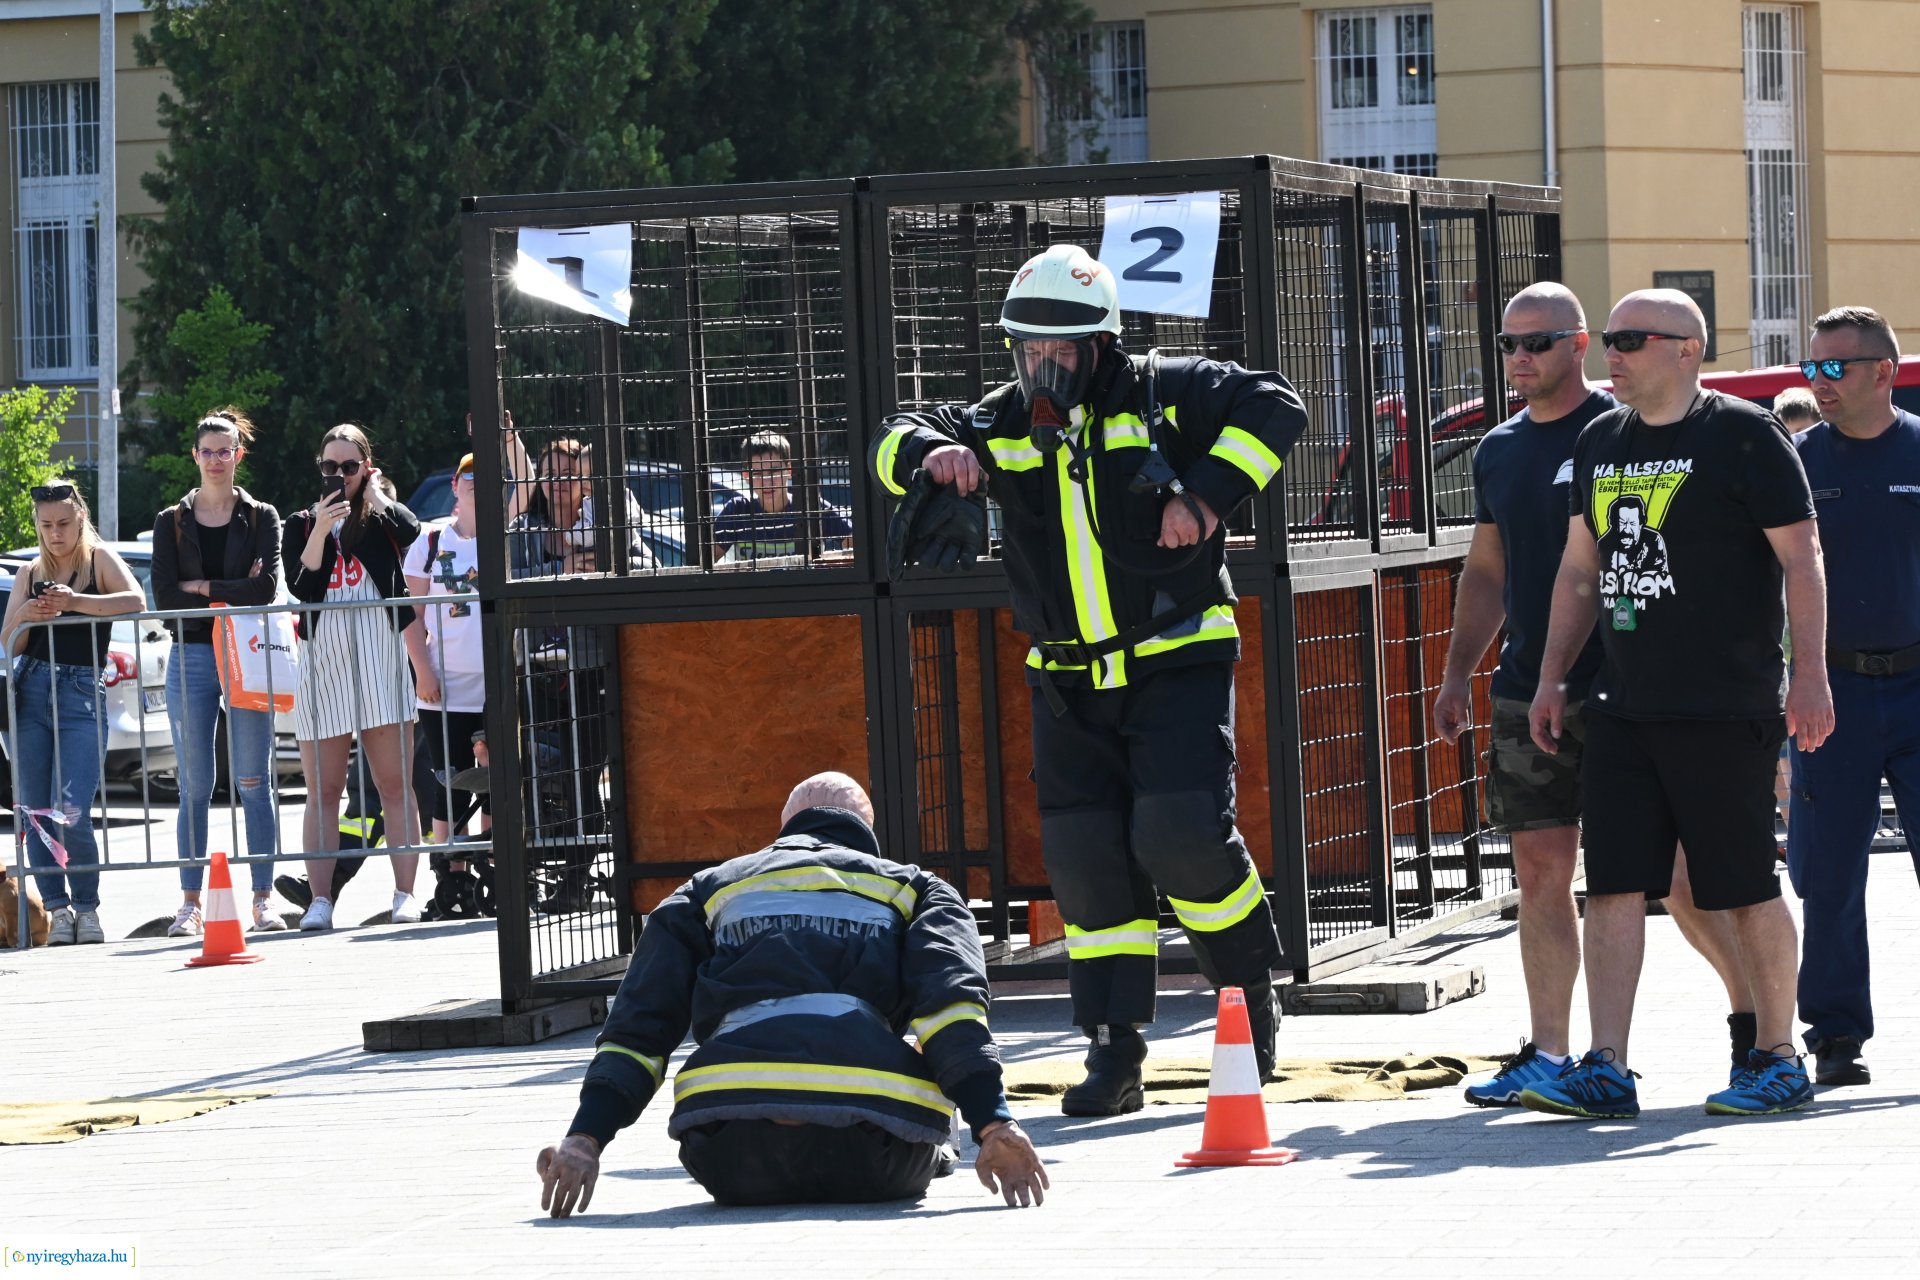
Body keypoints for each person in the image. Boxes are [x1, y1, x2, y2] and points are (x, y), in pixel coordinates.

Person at [868, 243, 1308, 1114]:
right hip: (1066, 679)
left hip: (1176, 651)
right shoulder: (999, 420)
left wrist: (1206, 496)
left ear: (1102, 344)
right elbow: (888, 440)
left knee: (1180, 832)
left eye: (1064, 350)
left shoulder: (1162, 392)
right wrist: (933, 456)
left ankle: (1248, 997)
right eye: (1030, 348)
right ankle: (1114, 1054)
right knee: (1087, 862)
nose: (1046, 366)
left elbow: (1277, 404)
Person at [1435, 284, 1757, 1107]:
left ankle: (1754, 1021)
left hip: (1630, 692)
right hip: (1527, 691)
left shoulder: (1626, 430)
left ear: (1580, 346)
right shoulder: (1499, 450)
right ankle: (1552, 1053)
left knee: (1680, 881)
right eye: (1508, 344)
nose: (1519, 359)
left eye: (1537, 344)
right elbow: (1485, 570)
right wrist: (1457, 673)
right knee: (1542, 872)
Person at [1522, 289, 1833, 1119]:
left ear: (1689, 349)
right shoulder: (1599, 439)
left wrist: (1809, 675)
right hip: (1623, 703)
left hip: (1725, 704)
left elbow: (1802, 560)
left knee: (1742, 884)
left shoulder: (1743, 434)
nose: (1613, 354)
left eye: (1631, 339)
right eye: (1611, 339)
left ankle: (1777, 1055)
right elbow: (1580, 570)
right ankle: (1607, 1065)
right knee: (1616, 885)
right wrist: (1553, 676)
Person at [535, 772, 1047, 1215]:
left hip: (729, 1155)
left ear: (784, 830)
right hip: (876, 1155)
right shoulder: (917, 889)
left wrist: (585, 1140)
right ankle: (942, 1152)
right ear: (866, 836)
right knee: (919, 1050)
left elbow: (639, 1028)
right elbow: (951, 1012)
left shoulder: (707, 889)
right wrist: (993, 1124)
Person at [1787, 306, 1920, 1088]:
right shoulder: (1796, 461)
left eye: (1835, 367)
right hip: (1829, 694)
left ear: (1883, 372)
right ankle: (1836, 1036)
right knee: (1830, 874)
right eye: (1814, 367)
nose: (1820, 382)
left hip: (1918, 686)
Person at [150, 408, 287, 936]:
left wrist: (202, 587)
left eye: (223, 450)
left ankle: (262, 899)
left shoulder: (261, 516)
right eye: (206, 451)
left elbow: (266, 589)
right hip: (190, 655)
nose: (214, 459)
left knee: (255, 780)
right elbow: (163, 599)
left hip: (247, 655)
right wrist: (232, 585)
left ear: (238, 455)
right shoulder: (171, 520)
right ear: (195, 455)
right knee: (194, 786)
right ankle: (190, 903)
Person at [282, 424, 424, 931]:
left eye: (348, 466)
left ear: (366, 466)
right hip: (325, 660)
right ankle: (320, 900)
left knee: (394, 785)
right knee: (324, 788)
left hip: (380, 654)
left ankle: (405, 893)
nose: (338, 475)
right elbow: (303, 586)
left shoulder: (381, 516)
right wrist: (321, 528)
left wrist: (377, 494)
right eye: (329, 467)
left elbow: (412, 533)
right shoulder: (299, 524)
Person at [1, 482, 143, 945]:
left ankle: (87, 907)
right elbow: (9, 640)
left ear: (80, 518)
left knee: (72, 810)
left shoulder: (98, 559)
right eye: (45, 525)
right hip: (32, 688)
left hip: (82, 692)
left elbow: (135, 601)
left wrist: (74, 603)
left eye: (62, 523)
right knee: (35, 812)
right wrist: (30, 613)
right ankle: (58, 910)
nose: (54, 534)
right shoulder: (29, 570)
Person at [403, 454, 489, 912]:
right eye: (467, 477)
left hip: (494, 680)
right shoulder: (430, 541)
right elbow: (410, 616)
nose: (476, 484)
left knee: (496, 778)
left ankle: (494, 865)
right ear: (455, 486)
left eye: (486, 476)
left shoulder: (504, 538)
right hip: (443, 684)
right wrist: (423, 670)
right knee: (448, 779)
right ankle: (452, 876)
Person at [713, 429, 854, 561]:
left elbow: (855, 546)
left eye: (774, 471)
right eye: (757, 473)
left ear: (789, 470)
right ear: (746, 476)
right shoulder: (737, 510)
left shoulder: (811, 507)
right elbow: (706, 561)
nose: (767, 482)